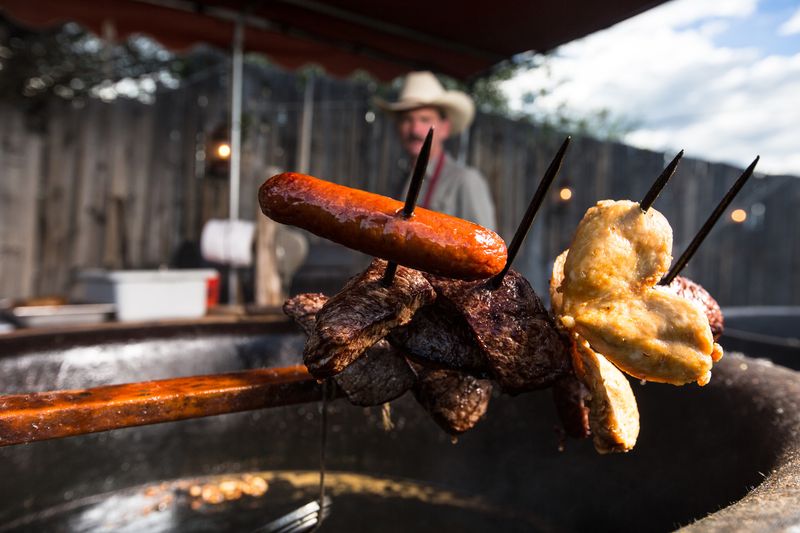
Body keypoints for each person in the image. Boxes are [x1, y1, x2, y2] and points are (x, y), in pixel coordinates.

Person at [375, 71, 497, 231]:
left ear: (444, 128)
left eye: (425, 119)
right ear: (398, 127)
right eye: (407, 120)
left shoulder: (466, 181)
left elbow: (485, 250)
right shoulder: (399, 180)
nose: (415, 130)